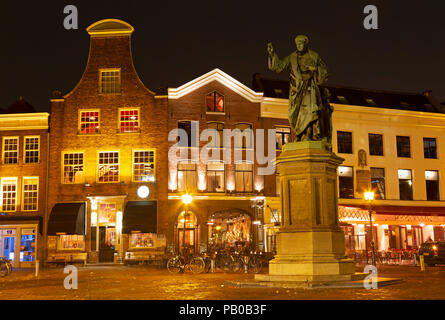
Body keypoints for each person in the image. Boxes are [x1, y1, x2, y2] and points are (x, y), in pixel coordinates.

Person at [267, 35, 332, 144]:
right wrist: (272, 54)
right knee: (295, 115)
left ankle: (309, 134)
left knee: (309, 112)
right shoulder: (292, 57)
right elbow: (279, 67)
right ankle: (300, 134)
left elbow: (324, 71)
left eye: (301, 44)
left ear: (306, 44)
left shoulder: (314, 56)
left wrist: (315, 69)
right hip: (296, 90)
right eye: (297, 44)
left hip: (309, 88)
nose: (299, 46)